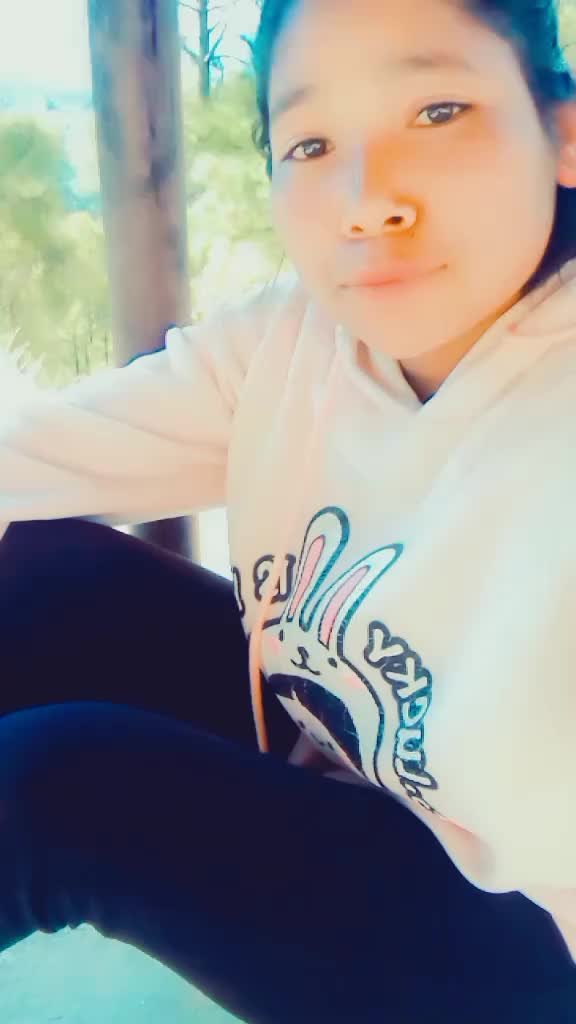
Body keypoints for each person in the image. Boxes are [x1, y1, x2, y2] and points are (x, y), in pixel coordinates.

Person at [1, 0, 576, 1020]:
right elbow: (26, 460)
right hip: (348, 763)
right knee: (36, 578)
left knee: (54, 793)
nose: (368, 200)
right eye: (310, 143)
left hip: (526, 946)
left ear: (564, 133)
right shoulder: (298, 341)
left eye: (438, 111)